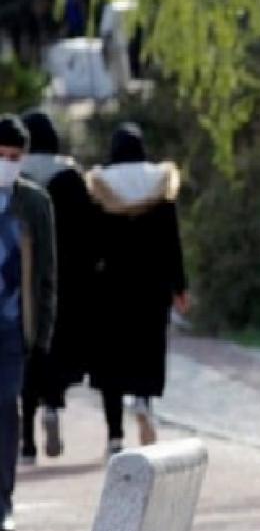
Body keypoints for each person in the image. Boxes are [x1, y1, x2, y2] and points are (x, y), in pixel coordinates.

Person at [85, 123, 188, 454]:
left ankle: (115, 435)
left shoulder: (100, 185)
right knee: (146, 350)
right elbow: (172, 242)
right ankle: (143, 401)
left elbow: (90, 246)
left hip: (110, 287)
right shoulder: (160, 183)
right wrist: (180, 287)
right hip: (152, 286)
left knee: (110, 362)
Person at [18, 111, 98, 464]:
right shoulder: (70, 179)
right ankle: (53, 404)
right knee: (57, 347)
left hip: (19, 282)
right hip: (65, 282)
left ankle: (26, 441)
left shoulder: (15, 179)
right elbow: (89, 236)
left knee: (23, 354)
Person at [0, 114, 57, 531]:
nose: (6, 163)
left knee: (6, 407)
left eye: (14, 157)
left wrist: (43, 334)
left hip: (13, 327)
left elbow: (47, 274)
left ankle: (2, 501)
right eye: (0, 155)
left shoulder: (35, 204)